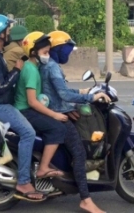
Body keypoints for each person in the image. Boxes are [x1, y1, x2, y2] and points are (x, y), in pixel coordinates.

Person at [0, 14, 45, 202]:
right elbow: (0, 87)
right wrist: (17, 70)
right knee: (28, 133)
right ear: (1, 33)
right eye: (8, 30)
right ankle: (24, 181)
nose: (10, 32)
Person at [40, 30, 109, 213]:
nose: (69, 54)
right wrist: (91, 98)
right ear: (58, 48)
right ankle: (86, 200)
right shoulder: (52, 67)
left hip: (55, 110)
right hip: (56, 115)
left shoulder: (50, 64)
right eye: (67, 50)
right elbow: (62, 94)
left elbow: (58, 91)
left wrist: (81, 92)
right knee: (79, 153)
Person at [14, 31, 66, 180]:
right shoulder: (31, 71)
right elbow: (32, 101)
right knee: (58, 128)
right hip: (26, 111)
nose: (47, 56)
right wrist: (55, 115)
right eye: (45, 52)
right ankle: (43, 168)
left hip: (26, 109)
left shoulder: (32, 67)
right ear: (33, 52)